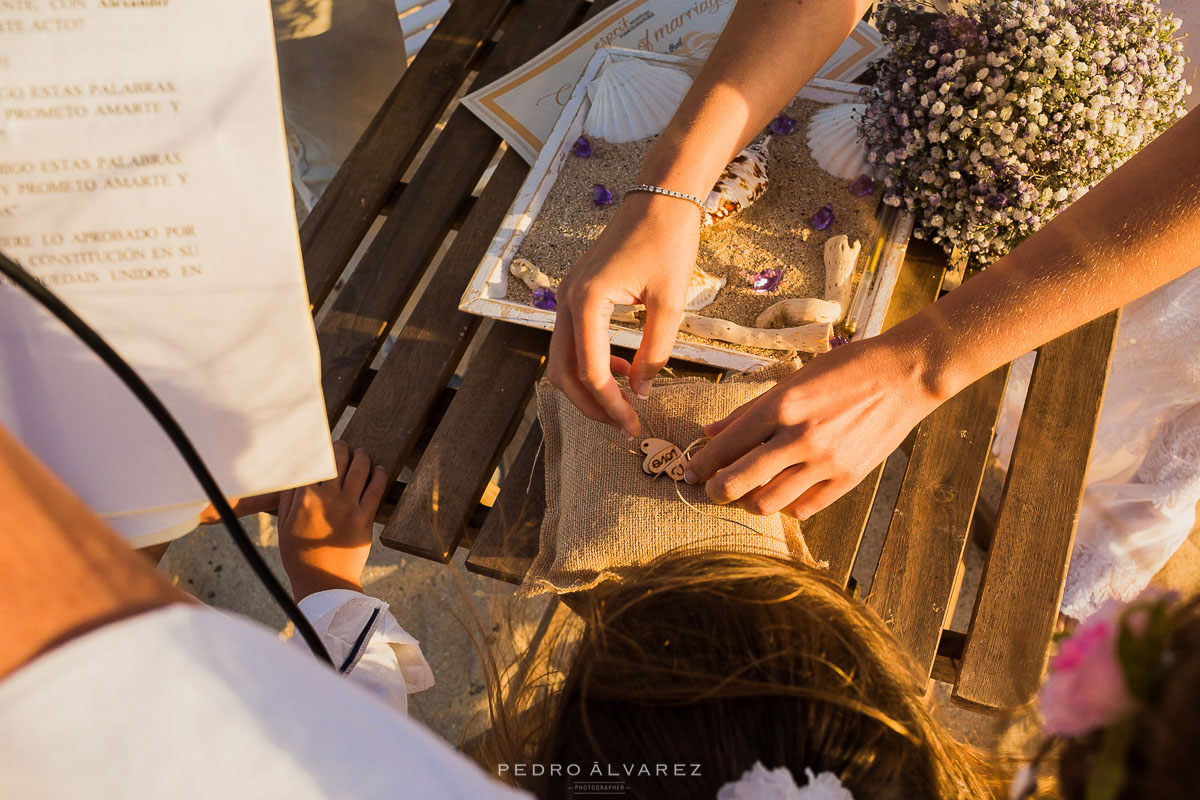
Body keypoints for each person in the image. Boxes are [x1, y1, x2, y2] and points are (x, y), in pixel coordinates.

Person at [547, 0, 1200, 618]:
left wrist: (925, 365)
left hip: (1161, 189)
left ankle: (1084, 564)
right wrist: (667, 191)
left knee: (1113, 411)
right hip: (1016, 71)